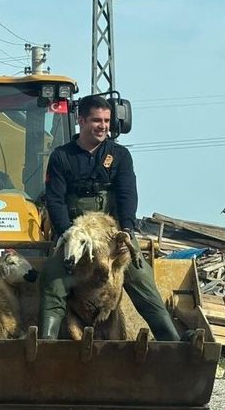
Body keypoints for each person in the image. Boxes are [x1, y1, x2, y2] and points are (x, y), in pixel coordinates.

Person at [39, 95, 180, 341]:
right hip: (76, 233)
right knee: (53, 280)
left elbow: (127, 194)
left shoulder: (120, 155)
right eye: (96, 120)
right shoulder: (61, 157)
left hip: (112, 233)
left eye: (106, 121)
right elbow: (55, 200)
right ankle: (45, 343)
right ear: (81, 121)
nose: (103, 126)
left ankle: (172, 341)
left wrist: (127, 228)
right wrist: (65, 232)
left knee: (141, 277)